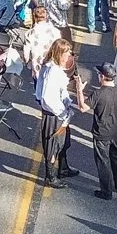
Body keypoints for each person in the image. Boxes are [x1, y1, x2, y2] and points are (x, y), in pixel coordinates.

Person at [35, 41, 80, 185]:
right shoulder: (52, 71)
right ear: (59, 54)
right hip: (54, 115)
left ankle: (63, 168)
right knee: (53, 145)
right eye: (66, 53)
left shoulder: (54, 69)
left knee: (63, 142)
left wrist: (67, 102)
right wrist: (62, 113)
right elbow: (47, 97)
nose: (69, 56)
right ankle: (51, 176)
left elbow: (60, 92)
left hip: (60, 112)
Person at [86, 63, 117, 199]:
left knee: (103, 162)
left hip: (101, 133)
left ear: (102, 77)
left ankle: (106, 191)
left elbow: (83, 107)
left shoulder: (98, 93)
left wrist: (79, 89)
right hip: (116, 131)